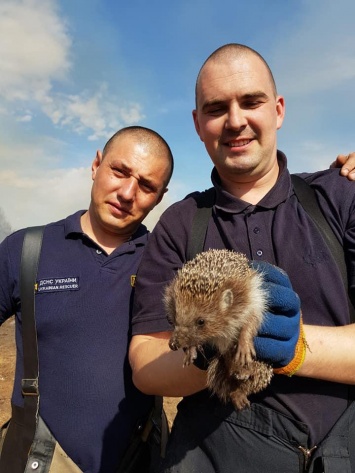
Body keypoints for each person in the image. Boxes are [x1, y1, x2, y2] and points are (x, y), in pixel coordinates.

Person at [129, 44, 355, 472]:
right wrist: (214, 349)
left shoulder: (341, 196)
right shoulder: (179, 224)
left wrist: (298, 348)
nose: (235, 121)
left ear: (279, 109)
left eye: (251, 101)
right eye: (216, 108)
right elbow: (146, 362)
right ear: (198, 125)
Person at [0, 126, 173, 473]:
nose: (127, 192)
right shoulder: (25, 250)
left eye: (146, 185)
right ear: (96, 165)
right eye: (119, 171)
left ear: (160, 196)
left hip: (140, 459)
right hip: (36, 460)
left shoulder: (166, 262)